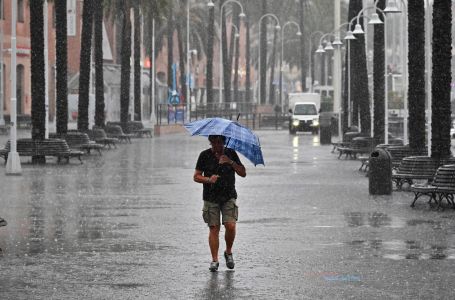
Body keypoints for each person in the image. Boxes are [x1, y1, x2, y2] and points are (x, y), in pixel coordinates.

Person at [193, 135, 246, 272]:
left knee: (231, 226)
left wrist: (230, 162)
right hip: (210, 198)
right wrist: (209, 180)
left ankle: (228, 252)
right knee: (214, 228)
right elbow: (196, 176)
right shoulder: (204, 155)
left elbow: (243, 173)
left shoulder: (230, 153)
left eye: (220, 143)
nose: (217, 146)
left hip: (228, 196)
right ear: (210, 143)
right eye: (214, 143)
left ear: (224, 142)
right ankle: (214, 260)